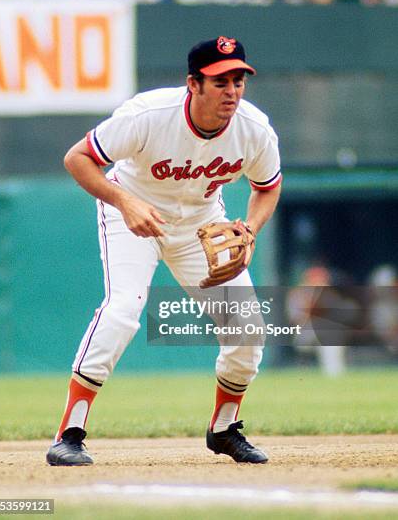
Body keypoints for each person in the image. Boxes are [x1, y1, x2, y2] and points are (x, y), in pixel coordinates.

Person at [46, 35, 282, 466]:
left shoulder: (253, 128)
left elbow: (267, 187)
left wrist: (249, 228)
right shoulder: (148, 115)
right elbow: (77, 158)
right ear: (193, 84)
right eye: (220, 81)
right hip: (132, 214)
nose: (232, 91)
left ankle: (224, 429)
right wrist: (124, 202)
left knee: (246, 327)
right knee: (122, 312)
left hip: (201, 224)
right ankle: (69, 432)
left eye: (238, 80)